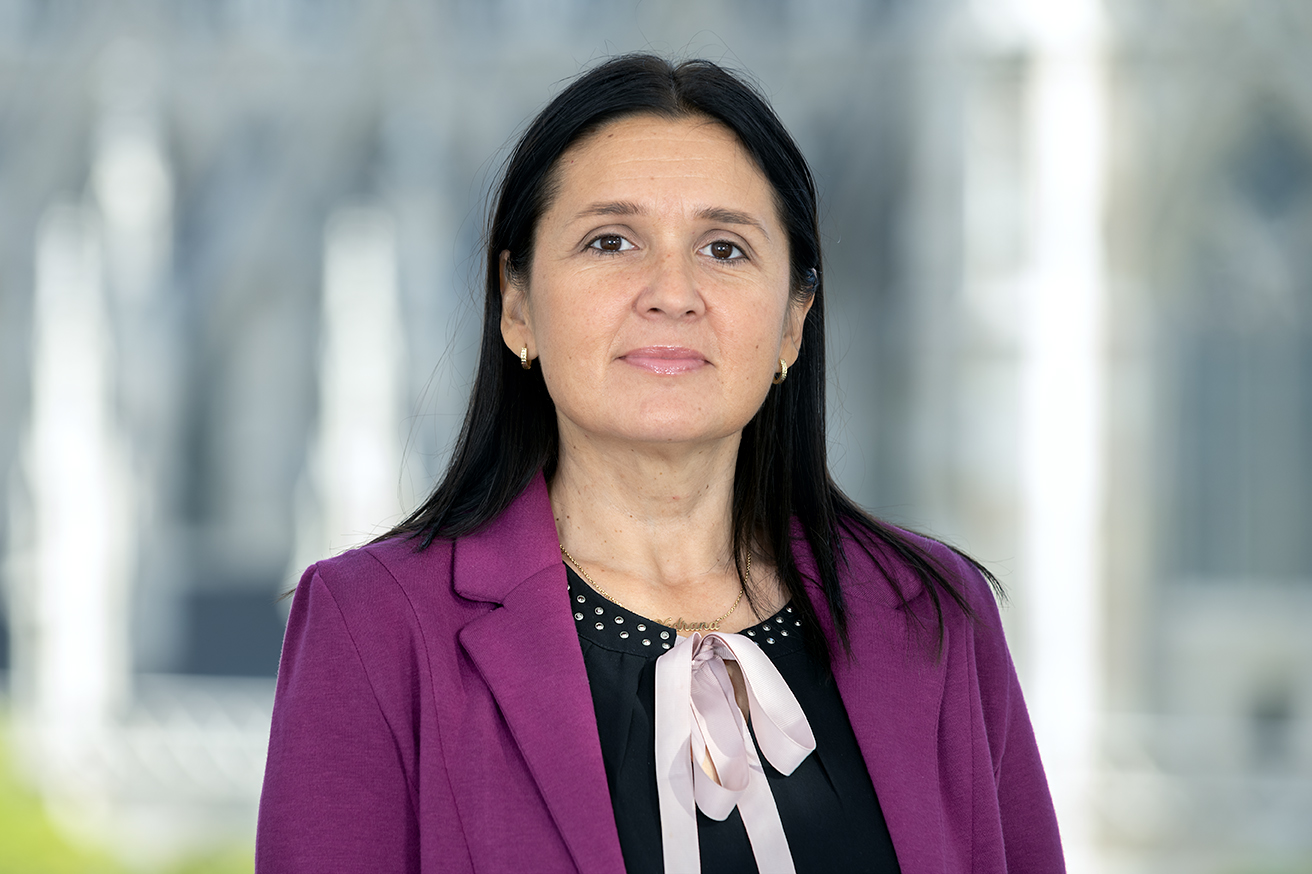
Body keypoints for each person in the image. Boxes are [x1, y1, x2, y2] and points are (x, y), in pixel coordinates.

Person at [256, 53, 1064, 874]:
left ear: (793, 321)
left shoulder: (934, 616)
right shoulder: (375, 627)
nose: (672, 292)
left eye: (725, 248)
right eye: (611, 242)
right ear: (516, 303)